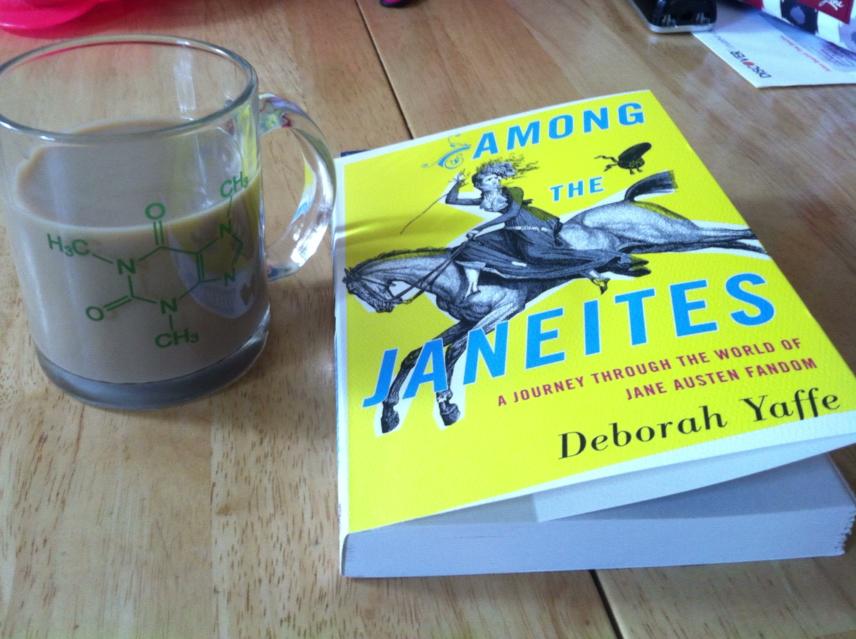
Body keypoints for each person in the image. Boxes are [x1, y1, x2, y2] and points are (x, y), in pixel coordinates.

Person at [445, 161, 621, 296]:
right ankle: (484, 282)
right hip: (512, 227)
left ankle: (602, 258)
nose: (496, 180)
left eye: (496, 177)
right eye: (490, 179)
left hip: (531, 220)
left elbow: (512, 213)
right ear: (480, 185)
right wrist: (458, 183)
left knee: (535, 254)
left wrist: (480, 228)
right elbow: (451, 200)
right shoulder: (485, 199)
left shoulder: (513, 191)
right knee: (475, 246)